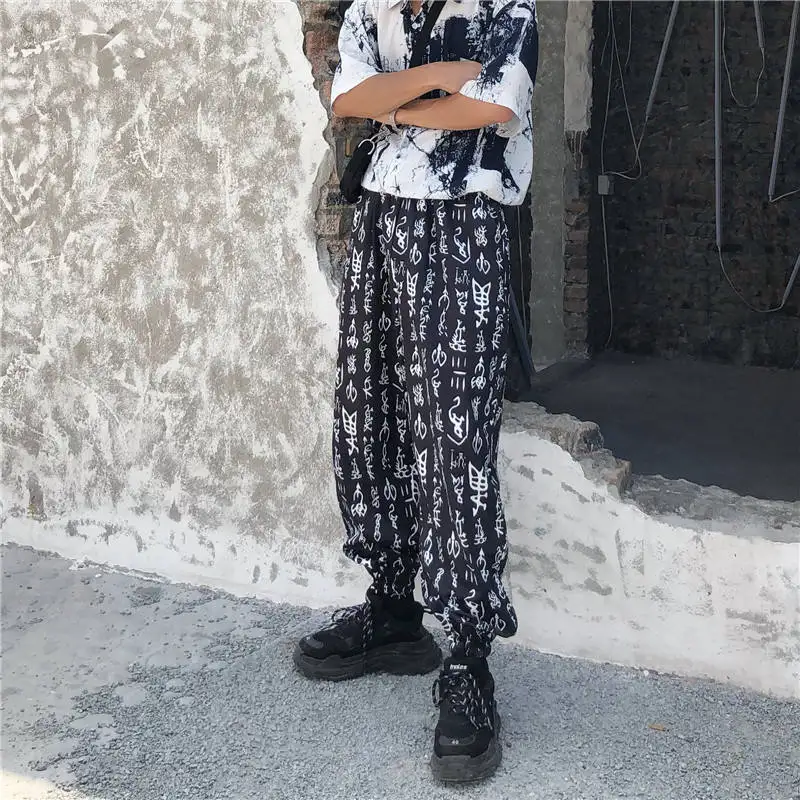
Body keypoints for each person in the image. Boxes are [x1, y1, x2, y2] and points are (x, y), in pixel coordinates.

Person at [293, 0, 538, 783]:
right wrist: (437, 83)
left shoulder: (505, 8)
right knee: (371, 415)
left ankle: (468, 660)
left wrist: (392, 102)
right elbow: (349, 99)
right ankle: (395, 610)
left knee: (454, 438)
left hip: (465, 223)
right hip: (381, 220)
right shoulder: (370, 11)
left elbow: (495, 106)